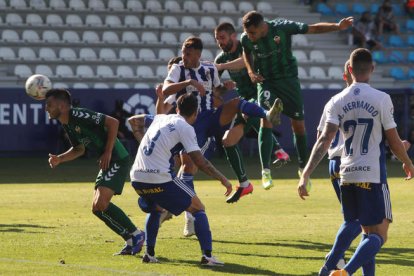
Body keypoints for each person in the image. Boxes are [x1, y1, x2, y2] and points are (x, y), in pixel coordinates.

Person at [297, 48, 414, 275]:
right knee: (379, 235)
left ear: (349, 70)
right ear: (372, 69)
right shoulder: (382, 99)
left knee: (364, 230)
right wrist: (408, 161)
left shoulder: (336, 101)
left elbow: (324, 139)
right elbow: (393, 141)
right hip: (371, 174)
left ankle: (330, 270)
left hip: (346, 174)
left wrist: (305, 173)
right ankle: (346, 272)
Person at [162, 36, 282, 235]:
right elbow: (166, 89)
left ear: (198, 54)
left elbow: (216, 93)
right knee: (188, 165)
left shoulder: (209, 69)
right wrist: (189, 81)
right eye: (183, 52)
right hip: (191, 124)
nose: (184, 56)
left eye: (188, 53)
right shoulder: (179, 69)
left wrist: (223, 88)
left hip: (211, 117)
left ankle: (267, 114)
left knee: (236, 102)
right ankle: (189, 216)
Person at [240, 11, 353, 181]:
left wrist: (337, 26)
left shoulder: (282, 28)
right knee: (266, 119)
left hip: (288, 81)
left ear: (262, 26)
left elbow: (312, 29)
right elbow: (246, 52)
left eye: (252, 33)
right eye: (247, 33)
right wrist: (250, 71)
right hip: (266, 81)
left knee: (298, 125)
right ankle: (266, 171)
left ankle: (302, 168)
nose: (249, 36)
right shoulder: (246, 38)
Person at [129, 92, 232, 265]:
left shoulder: (160, 118)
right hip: (159, 178)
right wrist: (223, 179)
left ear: (177, 108)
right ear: (196, 113)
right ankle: (207, 256)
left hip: (136, 176)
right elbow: (200, 161)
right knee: (198, 208)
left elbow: (133, 120)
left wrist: (143, 143)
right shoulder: (185, 127)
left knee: (157, 209)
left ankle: (149, 254)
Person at [45, 88, 145, 256]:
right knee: (97, 208)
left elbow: (113, 122)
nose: (46, 108)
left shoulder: (79, 114)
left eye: (49, 104)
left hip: (117, 159)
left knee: (101, 204)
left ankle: (137, 234)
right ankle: (129, 240)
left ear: (61, 106)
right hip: (107, 162)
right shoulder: (67, 123)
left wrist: (107, 152)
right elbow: (79, 149)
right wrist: (60, 159)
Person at [214, 22, 290, 199]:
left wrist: (222, 67)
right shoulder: (220, 59)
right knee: (228, 140)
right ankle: (244, 184)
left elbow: (244, 62)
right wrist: (223, 88)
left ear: (233, 36)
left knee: (251, 111)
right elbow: (216, 90)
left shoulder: (245, 46)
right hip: (244, 101)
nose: (220, 42)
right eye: (217, 39)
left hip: (261, 92)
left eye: (222, 38)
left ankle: (277, 149)